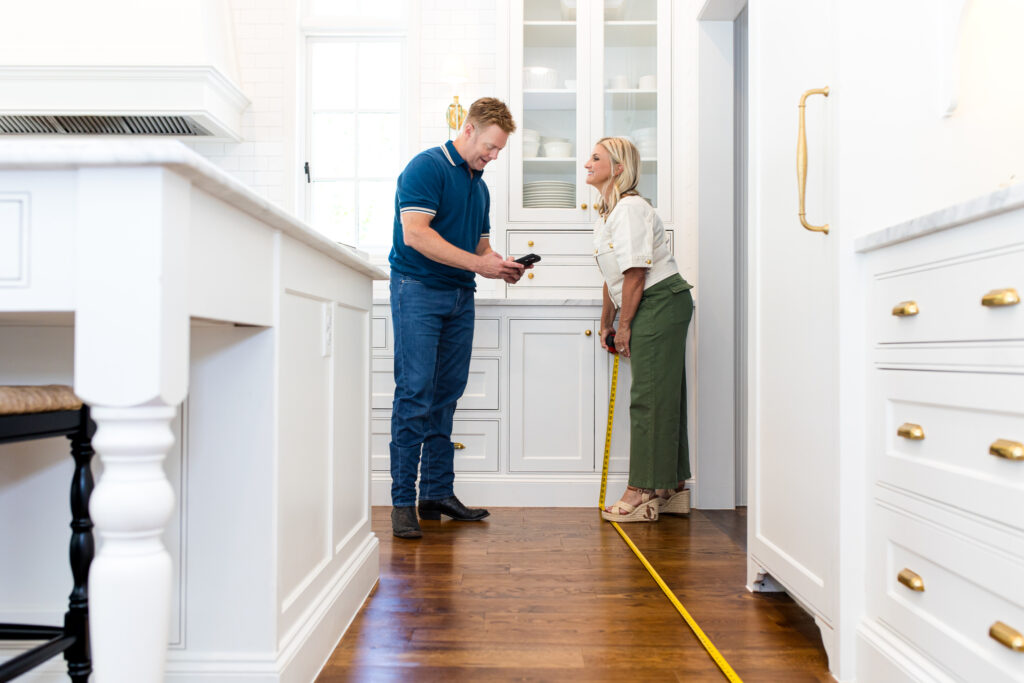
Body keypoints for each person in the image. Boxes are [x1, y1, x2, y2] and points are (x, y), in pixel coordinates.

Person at [388, 98, 524, 539]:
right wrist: (478, 264)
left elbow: (481, 248)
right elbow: (416, 234)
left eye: (499, 150)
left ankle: (436, 493)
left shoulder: (479, 186)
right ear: (467, 130)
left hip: (459, 295)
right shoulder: (425, 168)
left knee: (446, 395)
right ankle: (403, 502)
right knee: (415, 393)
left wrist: (499, 264)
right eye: (490, 146)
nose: (494, 156)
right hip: (419, 290)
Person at [584, 136, 694, 523]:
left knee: (648, 397)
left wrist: (625, 325)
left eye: (595, 158)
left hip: (660, 301)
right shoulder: (610, 213)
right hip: (651, 299)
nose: (586, 164)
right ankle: (670, 488)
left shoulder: (630, 208)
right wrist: (606, 322)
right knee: (663, 394)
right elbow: (613, 273)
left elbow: (636, 271)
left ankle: (641, 491)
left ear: (617, 167)